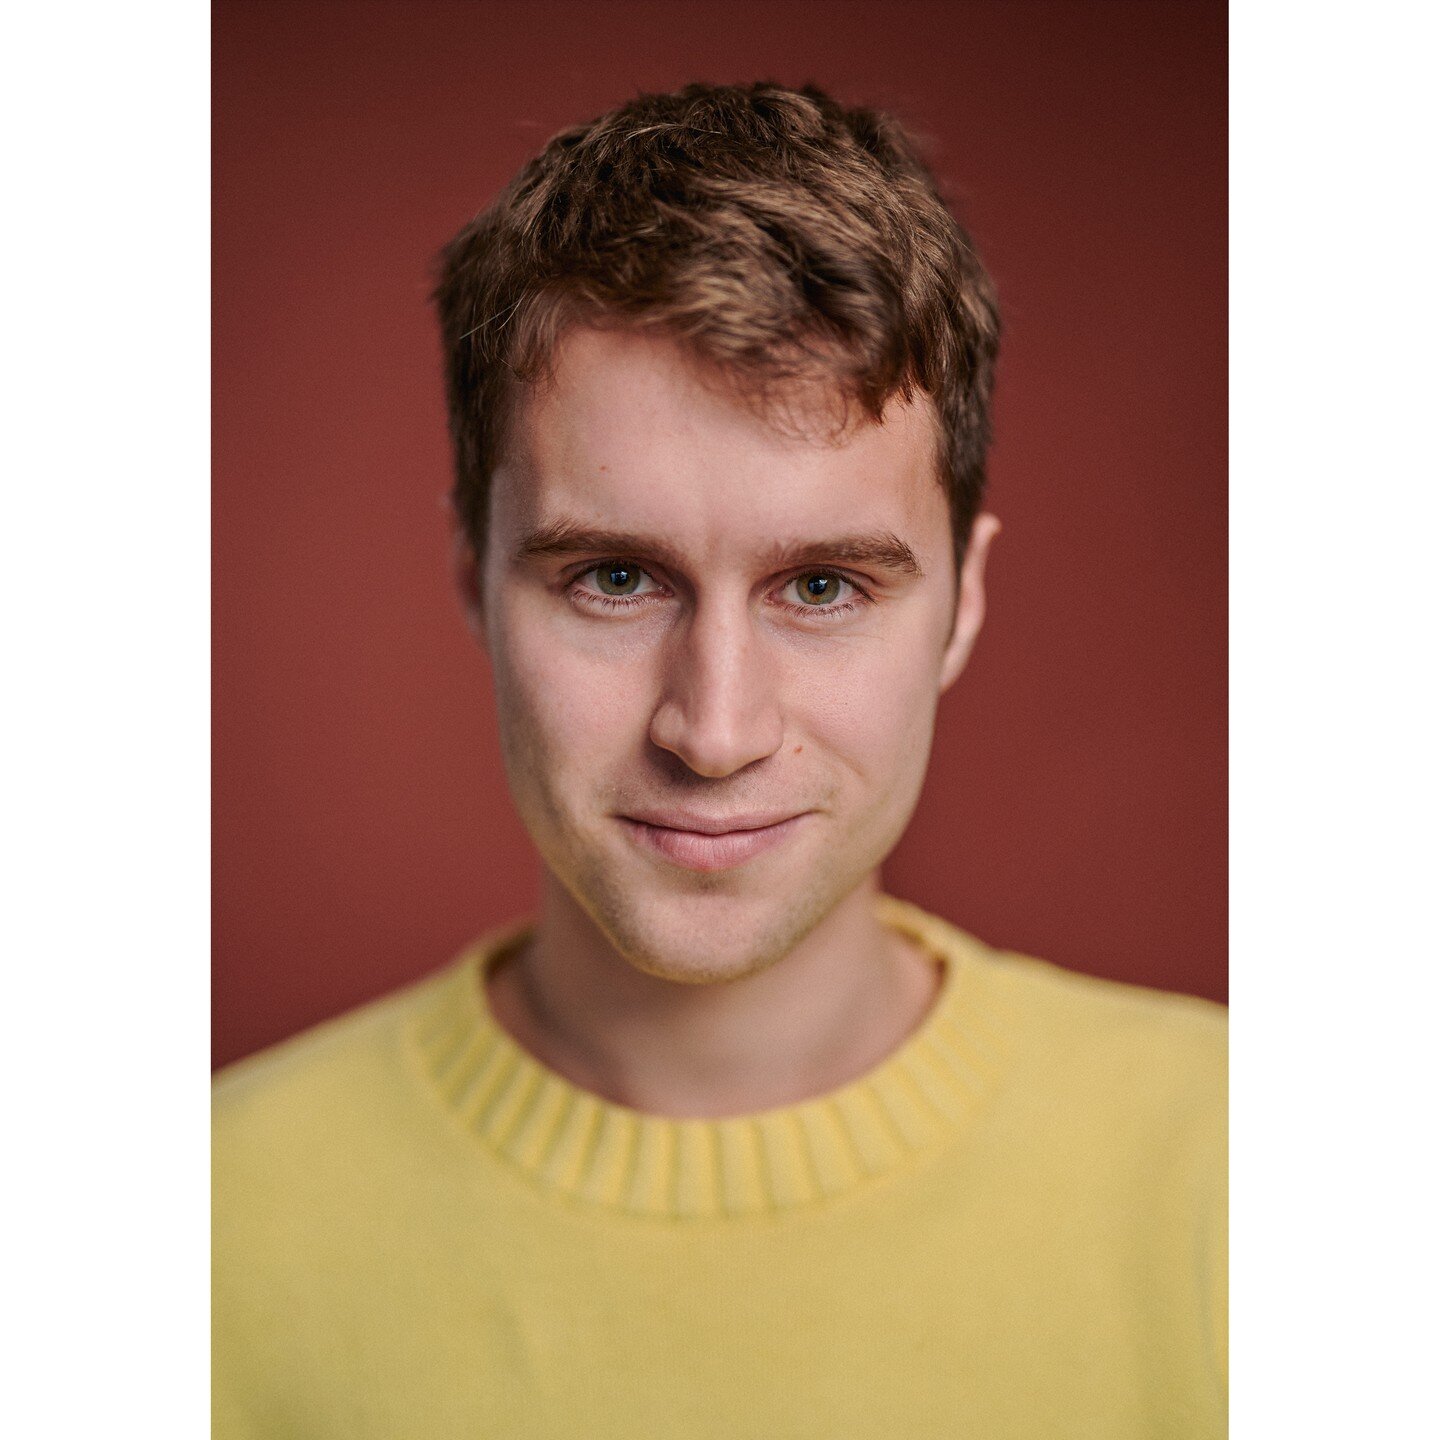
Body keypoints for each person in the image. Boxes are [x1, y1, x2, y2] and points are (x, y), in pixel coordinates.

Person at [213, 81, 1226, 1438]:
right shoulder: (180, 1233)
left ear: (963, 606)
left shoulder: (1266, 1181)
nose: (715, 728)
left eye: (822, 588)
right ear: (473, 582)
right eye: (615, 577)